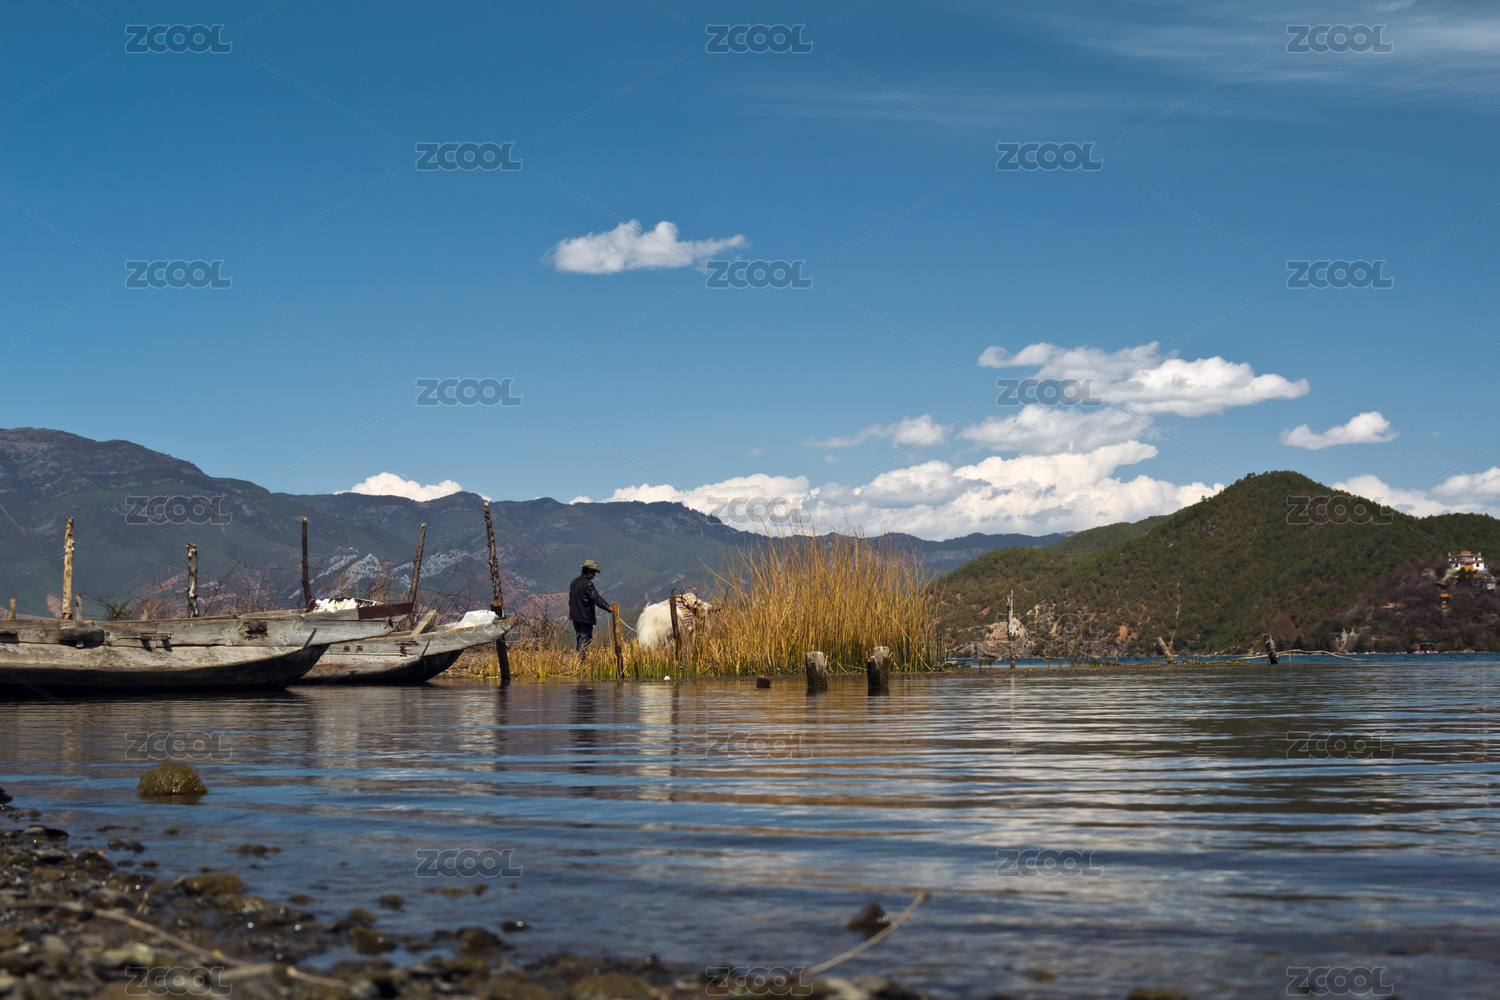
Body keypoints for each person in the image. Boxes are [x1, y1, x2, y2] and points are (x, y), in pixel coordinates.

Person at [568, 559, 613, 654]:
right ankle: (582, 659)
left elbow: (571, 599)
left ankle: (579, 658)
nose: (594, 575)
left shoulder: (574, 582)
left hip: (575, 616)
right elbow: (596, 598)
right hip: (585, 617)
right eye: (594, 573)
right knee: (585, 638)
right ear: (589, 571)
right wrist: (608, 607)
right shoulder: (588, 584)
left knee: (579, 637)